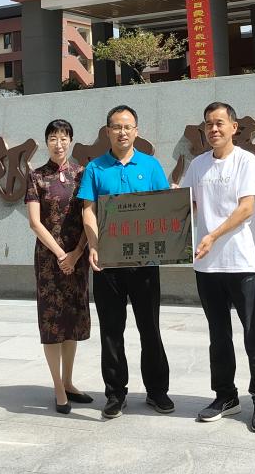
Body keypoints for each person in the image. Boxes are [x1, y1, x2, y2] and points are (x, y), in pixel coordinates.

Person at [180, 101, 255, 432]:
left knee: (253, 334)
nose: (213, 129)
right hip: (207, 266)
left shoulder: (245, 160)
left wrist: (213, 235)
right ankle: (225, 396)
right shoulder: (197, 165)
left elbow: (246, 208)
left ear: (234, 127)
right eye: (208, 124)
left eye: (219, 123)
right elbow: (186, 204)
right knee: (218, 335)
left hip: (240, 262)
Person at [78, 104, 173, 419]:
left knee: (150, 328)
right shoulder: (95, 168)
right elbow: (88, 210)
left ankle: (157, 391)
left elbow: (165, 206)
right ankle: (115, 394)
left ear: (136, 131)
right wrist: (94, 245)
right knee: (111, 331)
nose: (122, 132)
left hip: (144, 262)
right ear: (108, 132)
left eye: (127, 126)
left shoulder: (151, 165)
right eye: (117, 127)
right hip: (108, 263)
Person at [25, 119, 92, 415]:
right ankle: (57, 387)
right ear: (46, 142)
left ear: (71, 141)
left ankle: (69, 381)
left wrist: (76, 253)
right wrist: (61, 254)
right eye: (53, 138)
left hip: (77, 259)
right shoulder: (37, 176)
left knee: (72, 321)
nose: (59, 143)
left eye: (64, 138)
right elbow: (34, 222)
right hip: (49, 262)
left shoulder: (82, 174)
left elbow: (89, 216)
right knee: (52, 323)